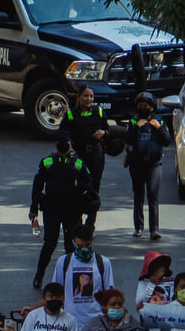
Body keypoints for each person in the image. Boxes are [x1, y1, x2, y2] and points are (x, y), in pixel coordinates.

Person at [29, 137, 92, 289]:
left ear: (71, 145)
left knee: (71, 244)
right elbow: (37, 185)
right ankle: (39, 275)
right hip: (52, 208)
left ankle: (72, 278)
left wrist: (79, 185)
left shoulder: (78, 162)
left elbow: (89, 184)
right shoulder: (47, 162)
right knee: (50, 243)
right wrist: (34, 208)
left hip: (72, 209)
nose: (65, 147)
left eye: (68, 144)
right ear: (56, 144)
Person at [122, 92, 171, 241]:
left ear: (152, 107)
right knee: (138, 196)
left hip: (154, 163)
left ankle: (154, 230)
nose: (143, 108)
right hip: (137, 164)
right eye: (141, 106)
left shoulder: (160, 122)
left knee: (153, 196)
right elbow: (128, 140)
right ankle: (138, 228)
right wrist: (136, 128)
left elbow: (167, 141)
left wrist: (158, 128)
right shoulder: (132, 122)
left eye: (147, 106)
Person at [67, 86, 111, 190]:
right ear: (79, 97)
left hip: (96, 154)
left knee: (94, 184)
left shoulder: (99, 111)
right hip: (79, 153)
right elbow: (64, 132)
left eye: (91, 96)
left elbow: (109, 130)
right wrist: (67, 141)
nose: (89, 99)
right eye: (86, 96)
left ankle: (93, 205)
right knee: (79, 183)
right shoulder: (71, 114)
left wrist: (104, 133)